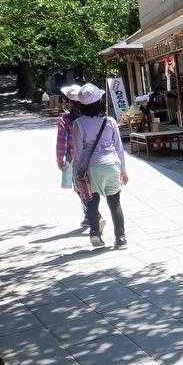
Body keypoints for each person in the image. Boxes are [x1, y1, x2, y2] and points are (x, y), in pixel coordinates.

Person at [71, 83, 128, 249]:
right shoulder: (110, 121)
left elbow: (78, 153)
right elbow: (119, 148)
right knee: (115, 203)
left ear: (81, 105)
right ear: (99, 101)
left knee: (92, 201)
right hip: (111, 165)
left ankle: (95, 234)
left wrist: (77, 173)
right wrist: (123, 170)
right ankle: (121, 238)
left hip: (92, 168)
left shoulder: (78, 124)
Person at [56, 84, 91, 229]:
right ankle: (91, 212)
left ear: (69, 102)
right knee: (90, 186)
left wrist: (60, 160)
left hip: (74, 159)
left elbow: (61, 142)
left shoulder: (65, 120)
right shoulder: (89, 116)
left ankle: (90, 214)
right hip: (91, 156)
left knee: (79, 187)